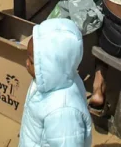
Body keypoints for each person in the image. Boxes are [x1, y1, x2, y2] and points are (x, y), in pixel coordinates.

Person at [19, 18, 93, 147]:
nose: (26, 63)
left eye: (32, 62)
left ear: (51, 65)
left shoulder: (63, 112)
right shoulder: (52, 79)